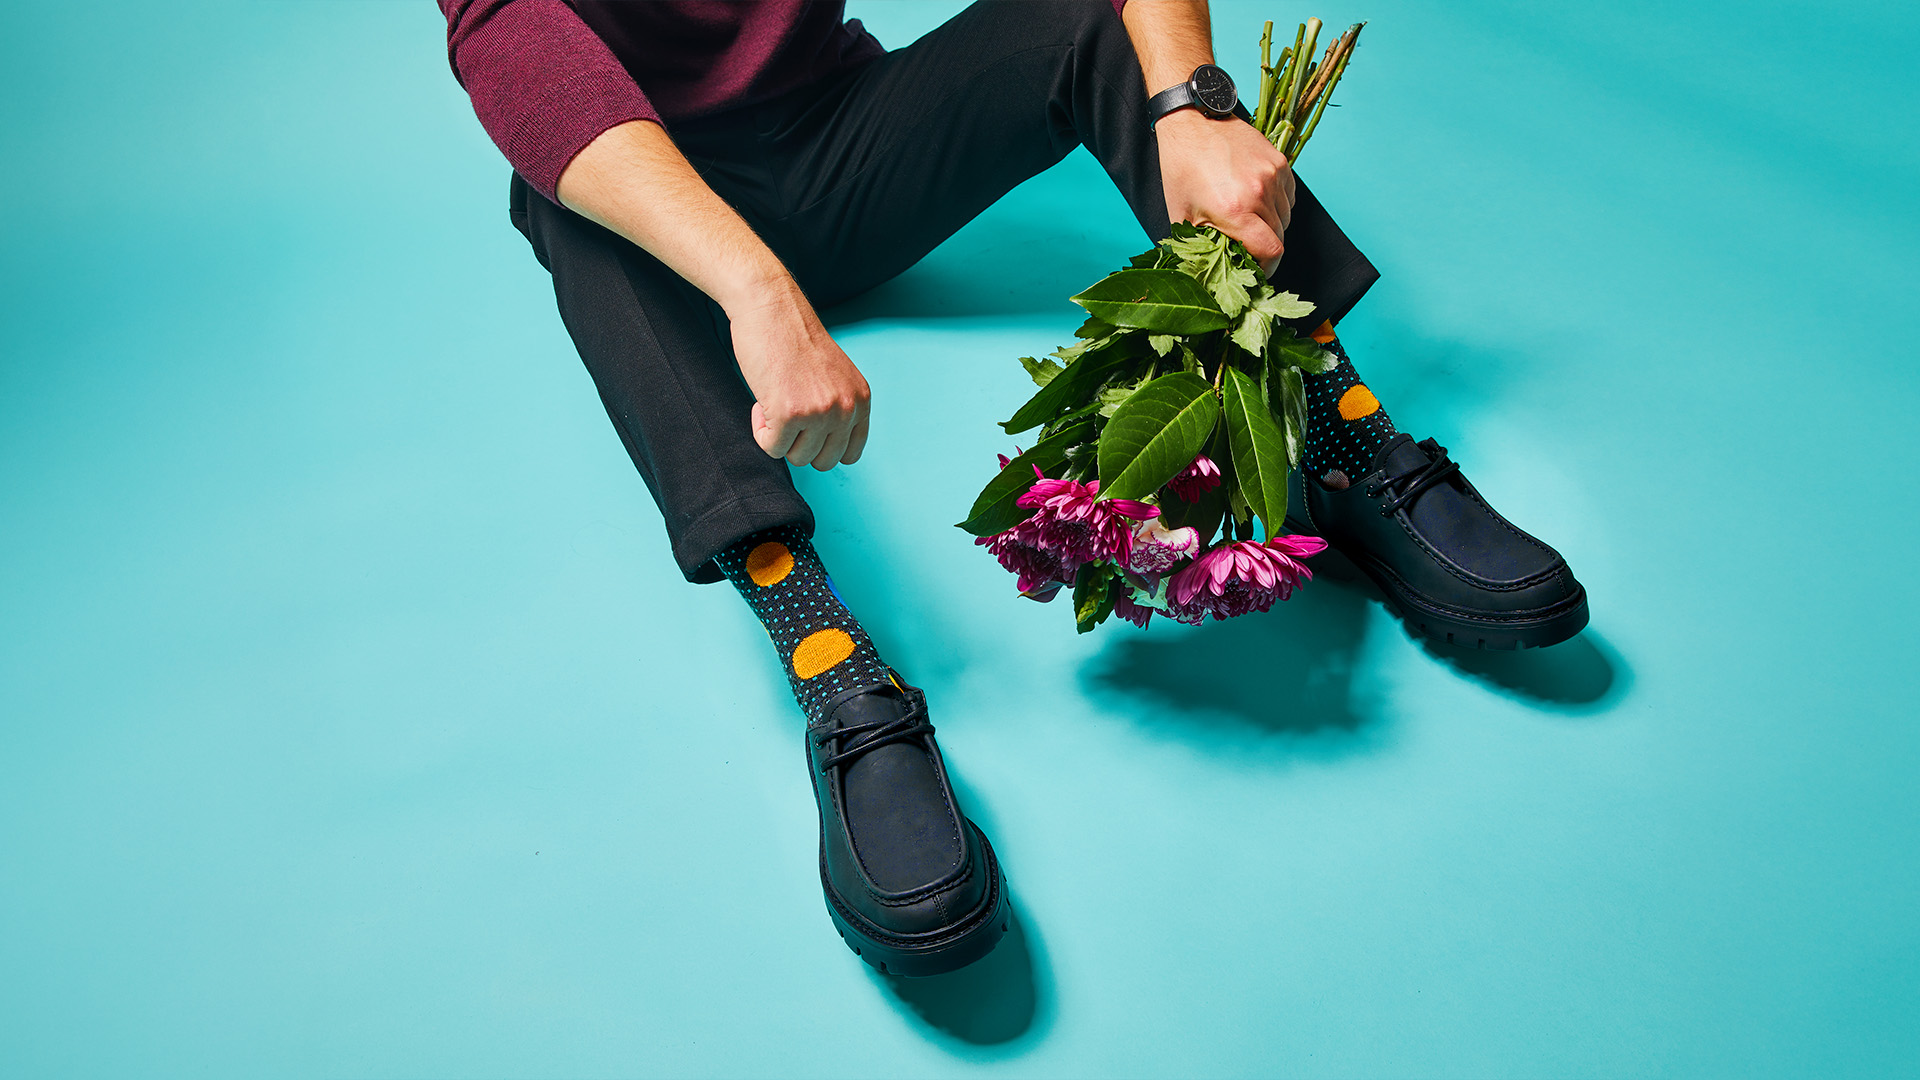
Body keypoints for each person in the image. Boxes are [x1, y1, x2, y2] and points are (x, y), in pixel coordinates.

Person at [437, 0, 1587, 976]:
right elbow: (517, 41)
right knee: (560, 204)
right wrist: (755, 291)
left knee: (1092, 16)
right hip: (656, 202)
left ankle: (1336, 436)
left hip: (839, 145)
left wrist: (1197, 102)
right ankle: (824, 650)